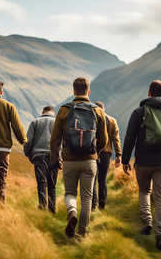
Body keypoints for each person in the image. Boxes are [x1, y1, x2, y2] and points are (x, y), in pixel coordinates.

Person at [121, 80, 161, 251]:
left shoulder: (138, 112)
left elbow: (129, 138)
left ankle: (147, 221)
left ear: (149, 93)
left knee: (144, 191)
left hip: (142, 162)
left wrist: (125, 160)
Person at [50, 77, 108, 238]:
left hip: (69, 159)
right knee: (87, 198)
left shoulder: (64, 110)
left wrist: (55, 160)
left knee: (70, 193)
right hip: (90, 160)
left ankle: (72, 213)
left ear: (74, 91)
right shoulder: (97, 111)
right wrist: (95, 153)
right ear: (88, 92)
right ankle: (81, 234)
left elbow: (54, 139)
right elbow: (104, 140)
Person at [24, 106, 61, 213]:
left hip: (39, 156)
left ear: (43, 112)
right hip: (53, 157)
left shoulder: (35, 122)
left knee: (41, 184)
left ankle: (42, 209)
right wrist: (60, 160)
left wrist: (29, 155)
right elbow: (61, 142)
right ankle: (52, 211)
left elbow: (28, 141)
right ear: (53, 113)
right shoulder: (57, 123)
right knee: (52, 186)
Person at [92, 101, 121, 210]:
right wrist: (118, 154)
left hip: (93, 153)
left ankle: (93, 205)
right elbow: (116, 138)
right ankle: (102, 205)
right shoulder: (112, 120)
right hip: (106, 153)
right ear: (103, 109)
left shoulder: (92, 120)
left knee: (93, 179)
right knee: (102, 179)